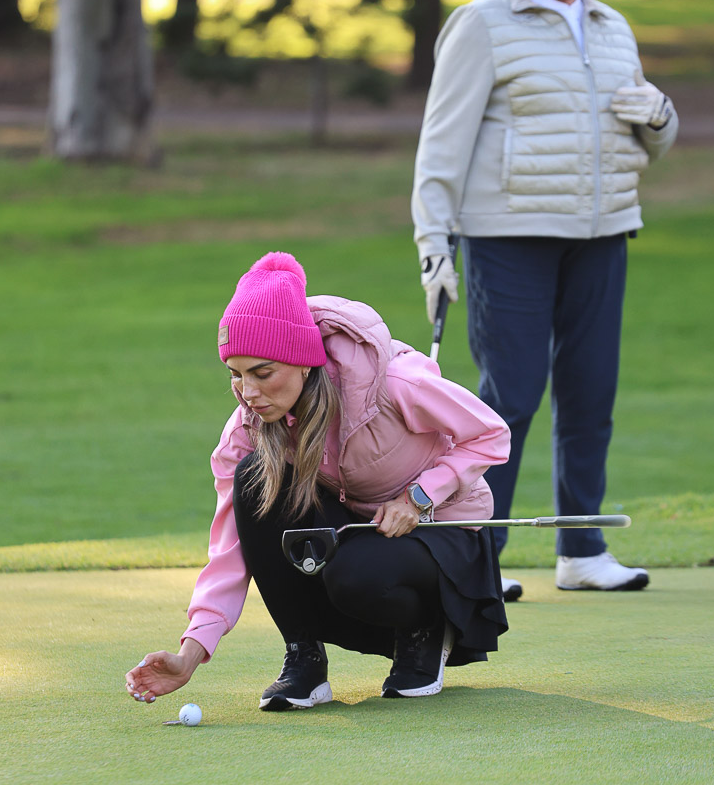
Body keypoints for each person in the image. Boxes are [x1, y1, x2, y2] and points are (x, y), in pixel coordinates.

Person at [412, 0, 678, 600]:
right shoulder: (481, 25)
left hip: (601, 234)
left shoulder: (612, 27)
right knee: (510, 397)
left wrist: (660, 118)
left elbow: (644, 143)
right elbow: (441, 147)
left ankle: (582, 550)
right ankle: (480, 557)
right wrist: (433, 244)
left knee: (590, 395)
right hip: (508, 239)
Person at [126, 251, 511, 711]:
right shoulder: (247, 429)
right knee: (254, 477)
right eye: (237, 375)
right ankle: (303, 656)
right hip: (359, 528)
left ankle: (424, 632)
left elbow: (491, 434)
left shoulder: (395, 382)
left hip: (440, 532)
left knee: (354, 575)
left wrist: (420, 496)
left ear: (304, 362)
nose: (249, 392)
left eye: (263, 373)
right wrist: (191, 652)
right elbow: (231, 549)